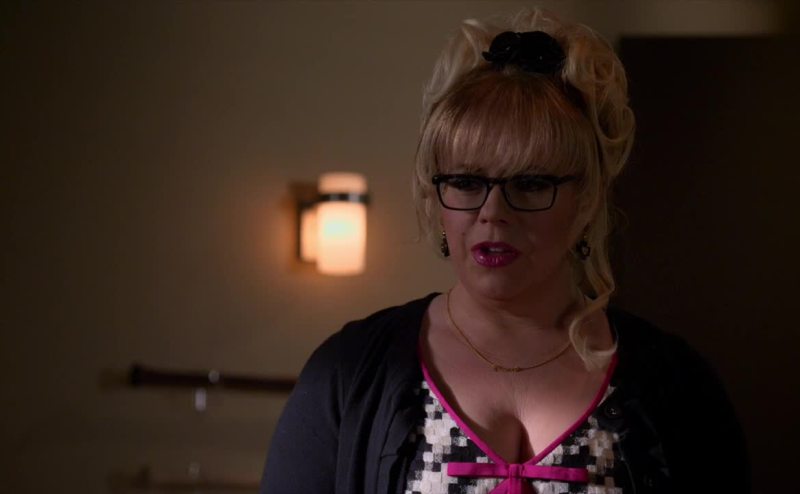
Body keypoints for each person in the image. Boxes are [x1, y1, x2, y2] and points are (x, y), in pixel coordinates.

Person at [260, 8, 749, 494]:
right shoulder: (348, 372)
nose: (493, 213)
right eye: (466, 182)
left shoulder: (676, 384)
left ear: (586, 199)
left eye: (530, 184)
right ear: (437, 196)